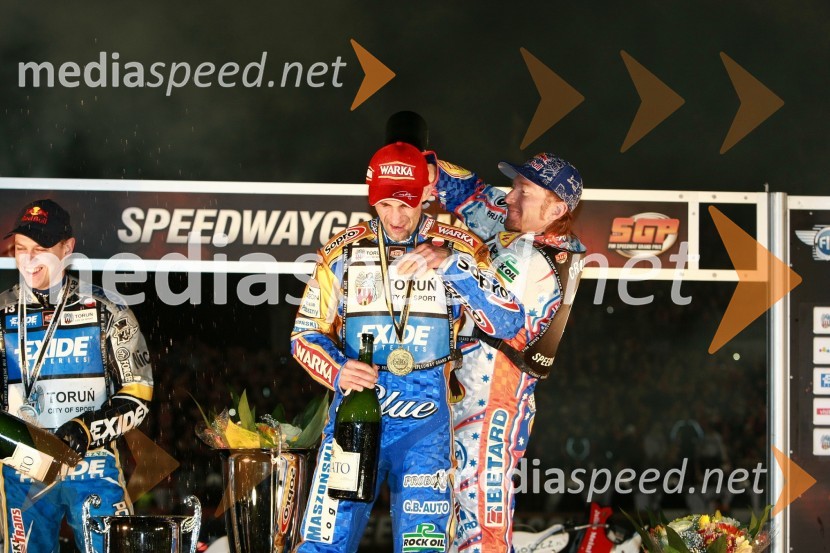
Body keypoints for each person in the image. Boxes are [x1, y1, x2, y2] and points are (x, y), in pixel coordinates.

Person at [290, 142, 526, 553]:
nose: (396, 218)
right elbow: (303, 335)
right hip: (355, 417)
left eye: (407, 204)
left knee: (424, 548)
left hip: (425, 424)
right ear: (371, 200)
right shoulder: (341, 251)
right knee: (322, 544)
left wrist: (452, 265)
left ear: (426, 195)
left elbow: (508, 322)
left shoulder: (460, 245)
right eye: (384, 205)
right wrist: (338, 370)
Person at [433, 153, 587, 552]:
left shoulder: (539, 260)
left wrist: (450, 263)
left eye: (524, 190)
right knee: (450, 508)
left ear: (555, 207)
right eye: (515, 185)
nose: (510, 197)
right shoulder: (525, 235)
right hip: (470, 392)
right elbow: (474, 197)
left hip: (491, 399)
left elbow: (503, 320)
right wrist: (431, 167)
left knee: (480, 512)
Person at [0, 199, 154, 553]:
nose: (29, 259)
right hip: (22, 469)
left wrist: (87, 430)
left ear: (67, 248)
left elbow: (139, 394)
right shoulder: (1, 313)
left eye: (41, 249)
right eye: (21, 249)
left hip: (91, 464)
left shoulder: (107, 310)